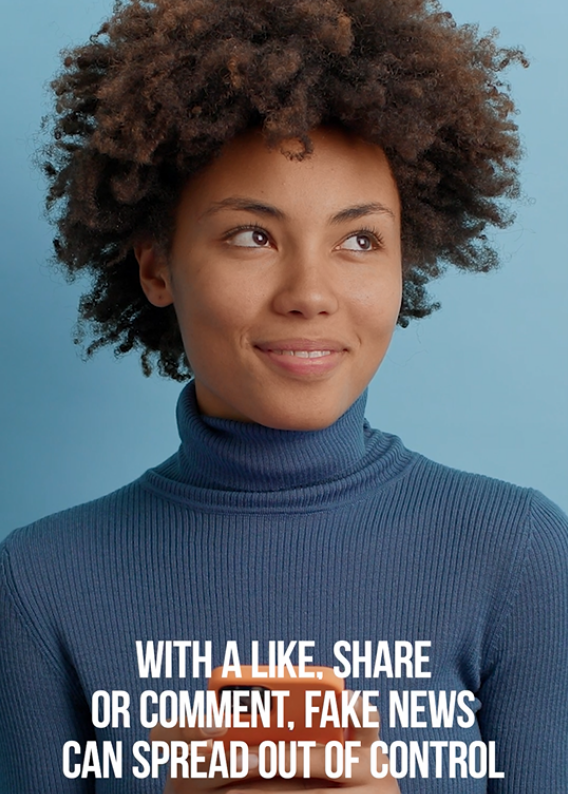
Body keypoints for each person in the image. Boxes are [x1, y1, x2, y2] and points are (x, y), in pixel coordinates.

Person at [0, 0, 566, 792]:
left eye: (360, 240)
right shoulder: (37, 584)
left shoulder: (522, 557)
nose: (310, 293)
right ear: (157, 266)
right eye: (251, 235)